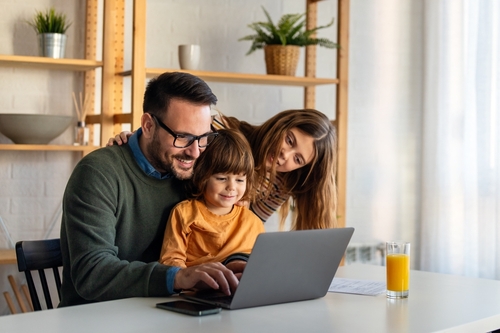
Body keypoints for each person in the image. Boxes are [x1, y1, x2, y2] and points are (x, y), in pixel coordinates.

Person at [59, 72, 242, 308]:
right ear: (147, 125)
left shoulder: (197, 171)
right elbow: (92, 274)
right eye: (183, 137)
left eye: (203, 137)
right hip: (97, 318)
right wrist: (177, 277)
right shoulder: (98, 172)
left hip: (170, 310)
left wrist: (236, 263)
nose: (195, 152)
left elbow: (221, 230)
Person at [110, 109, 338, 231]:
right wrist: (137, 139)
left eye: (297, 159)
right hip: (165, 225)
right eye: (289, 140)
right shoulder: (220, 130)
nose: (284, 155)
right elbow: (170, 143)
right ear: (282, 124)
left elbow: (247, 230)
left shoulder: (279, 184)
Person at [159, 128, 265, 268]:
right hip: (195, 287)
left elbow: (259, 266)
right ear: (203, 177)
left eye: (240, 180)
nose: (231, 187)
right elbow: (171, 260)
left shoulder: (253, 223)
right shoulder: (184, 213)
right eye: (221, 178)